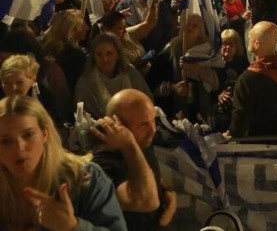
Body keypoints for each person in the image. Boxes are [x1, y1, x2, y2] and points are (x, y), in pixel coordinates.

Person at [0, 95, 127, 231]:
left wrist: (73, 227)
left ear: (44, 133)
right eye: (5, 141)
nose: (19, 148)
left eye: (28, 135)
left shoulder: (85, 178)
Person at [92, 89, 178, 230]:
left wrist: (165, 190)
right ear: (117, 125)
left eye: (153, 121)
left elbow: (147, 172)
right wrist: (128, 144)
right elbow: (146, 201)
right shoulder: (103, 166)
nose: (152, 130)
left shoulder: (141, 142)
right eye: (143, 125)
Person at [227, 21, 277, 138]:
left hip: (257, 141)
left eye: (251, 35)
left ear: (257, 44)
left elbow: (240, 117)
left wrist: (231, 134)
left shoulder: (248, 79)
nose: (248, 35)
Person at [74, 34, 153, 119]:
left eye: (109, 53)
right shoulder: (85, 83)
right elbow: (83, 117)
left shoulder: (130, 72)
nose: (105, 59)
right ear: (94, 57)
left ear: (118, 54)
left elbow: (148, 100)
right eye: (99, 55)